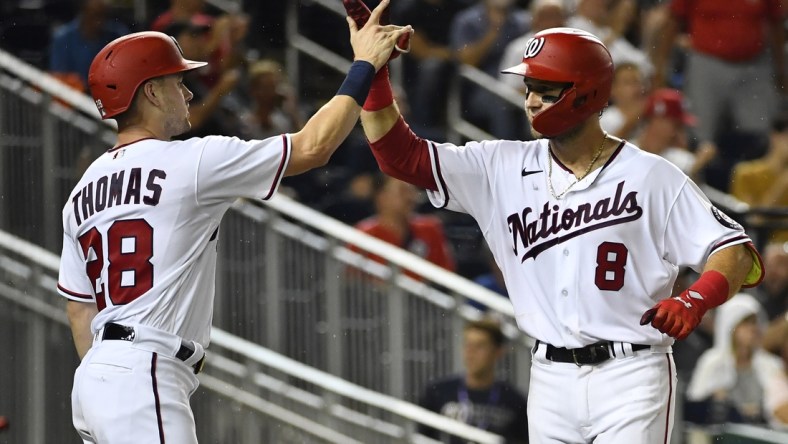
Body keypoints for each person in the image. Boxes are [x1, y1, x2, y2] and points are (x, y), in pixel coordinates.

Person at [354, 25, 764, 442]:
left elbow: (734, 251)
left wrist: (697, 299)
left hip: (631, 374)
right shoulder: (499, 167)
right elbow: (398, 155)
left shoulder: (650, 175)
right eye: (529, 87)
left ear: (585, 92)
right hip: (549, 379)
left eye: (545, 89)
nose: (530, 100)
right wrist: (373, 71)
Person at [57, 4, 412, 441]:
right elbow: (314, 147)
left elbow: (79, 310)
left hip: (95, 379)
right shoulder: (192, 160)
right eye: (178, 82)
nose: (188, 94)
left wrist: (108, 382)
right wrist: (364, 65)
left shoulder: (82, 189)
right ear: (149, 92)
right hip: (145, 368)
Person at [419, 317, 529, 443]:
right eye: (468, 345)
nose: (470, 352)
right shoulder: (437, 392)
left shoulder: (514, 401)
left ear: (497, 352)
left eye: (480, 346)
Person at [684, 293, 782, 426]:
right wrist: (715, 400)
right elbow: (694, 412)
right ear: (730, 325)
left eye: (755, 322)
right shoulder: (712, 362)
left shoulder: (770, 364)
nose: (753, 329)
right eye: (746, 323)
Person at [354, 173, 455, 275]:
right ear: (382, 197)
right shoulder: (364, 235)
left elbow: (446, 273)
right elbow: (352, 281)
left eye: (412, 191)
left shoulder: (430, 228)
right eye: (402, 191)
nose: (410, 197)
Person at [49, 0, 129, 89]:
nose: (99, 22)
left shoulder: (117, 36)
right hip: (74, 95)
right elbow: (59, 77)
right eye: (94, 15)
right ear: (83, 12)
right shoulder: (63, 38)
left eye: (103, 15)